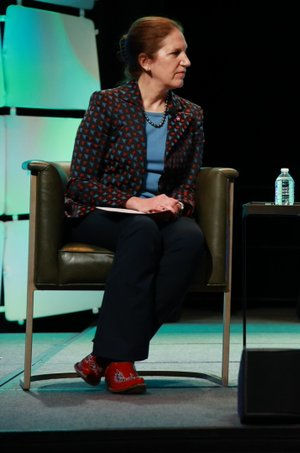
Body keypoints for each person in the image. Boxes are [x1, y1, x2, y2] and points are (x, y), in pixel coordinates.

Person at [65, 16, 206, 394]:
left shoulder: (190, 115)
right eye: (175, 53)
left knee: (189, 239)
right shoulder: (107, 104)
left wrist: (177, 204)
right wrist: (133, 202)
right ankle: (121, 362)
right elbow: (80, 182)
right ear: (146, 61)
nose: (186, 61)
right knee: (140, 229)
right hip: (101, 213)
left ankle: (104, 357)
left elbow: (188, 184)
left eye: (185, 52)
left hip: (155, 215)